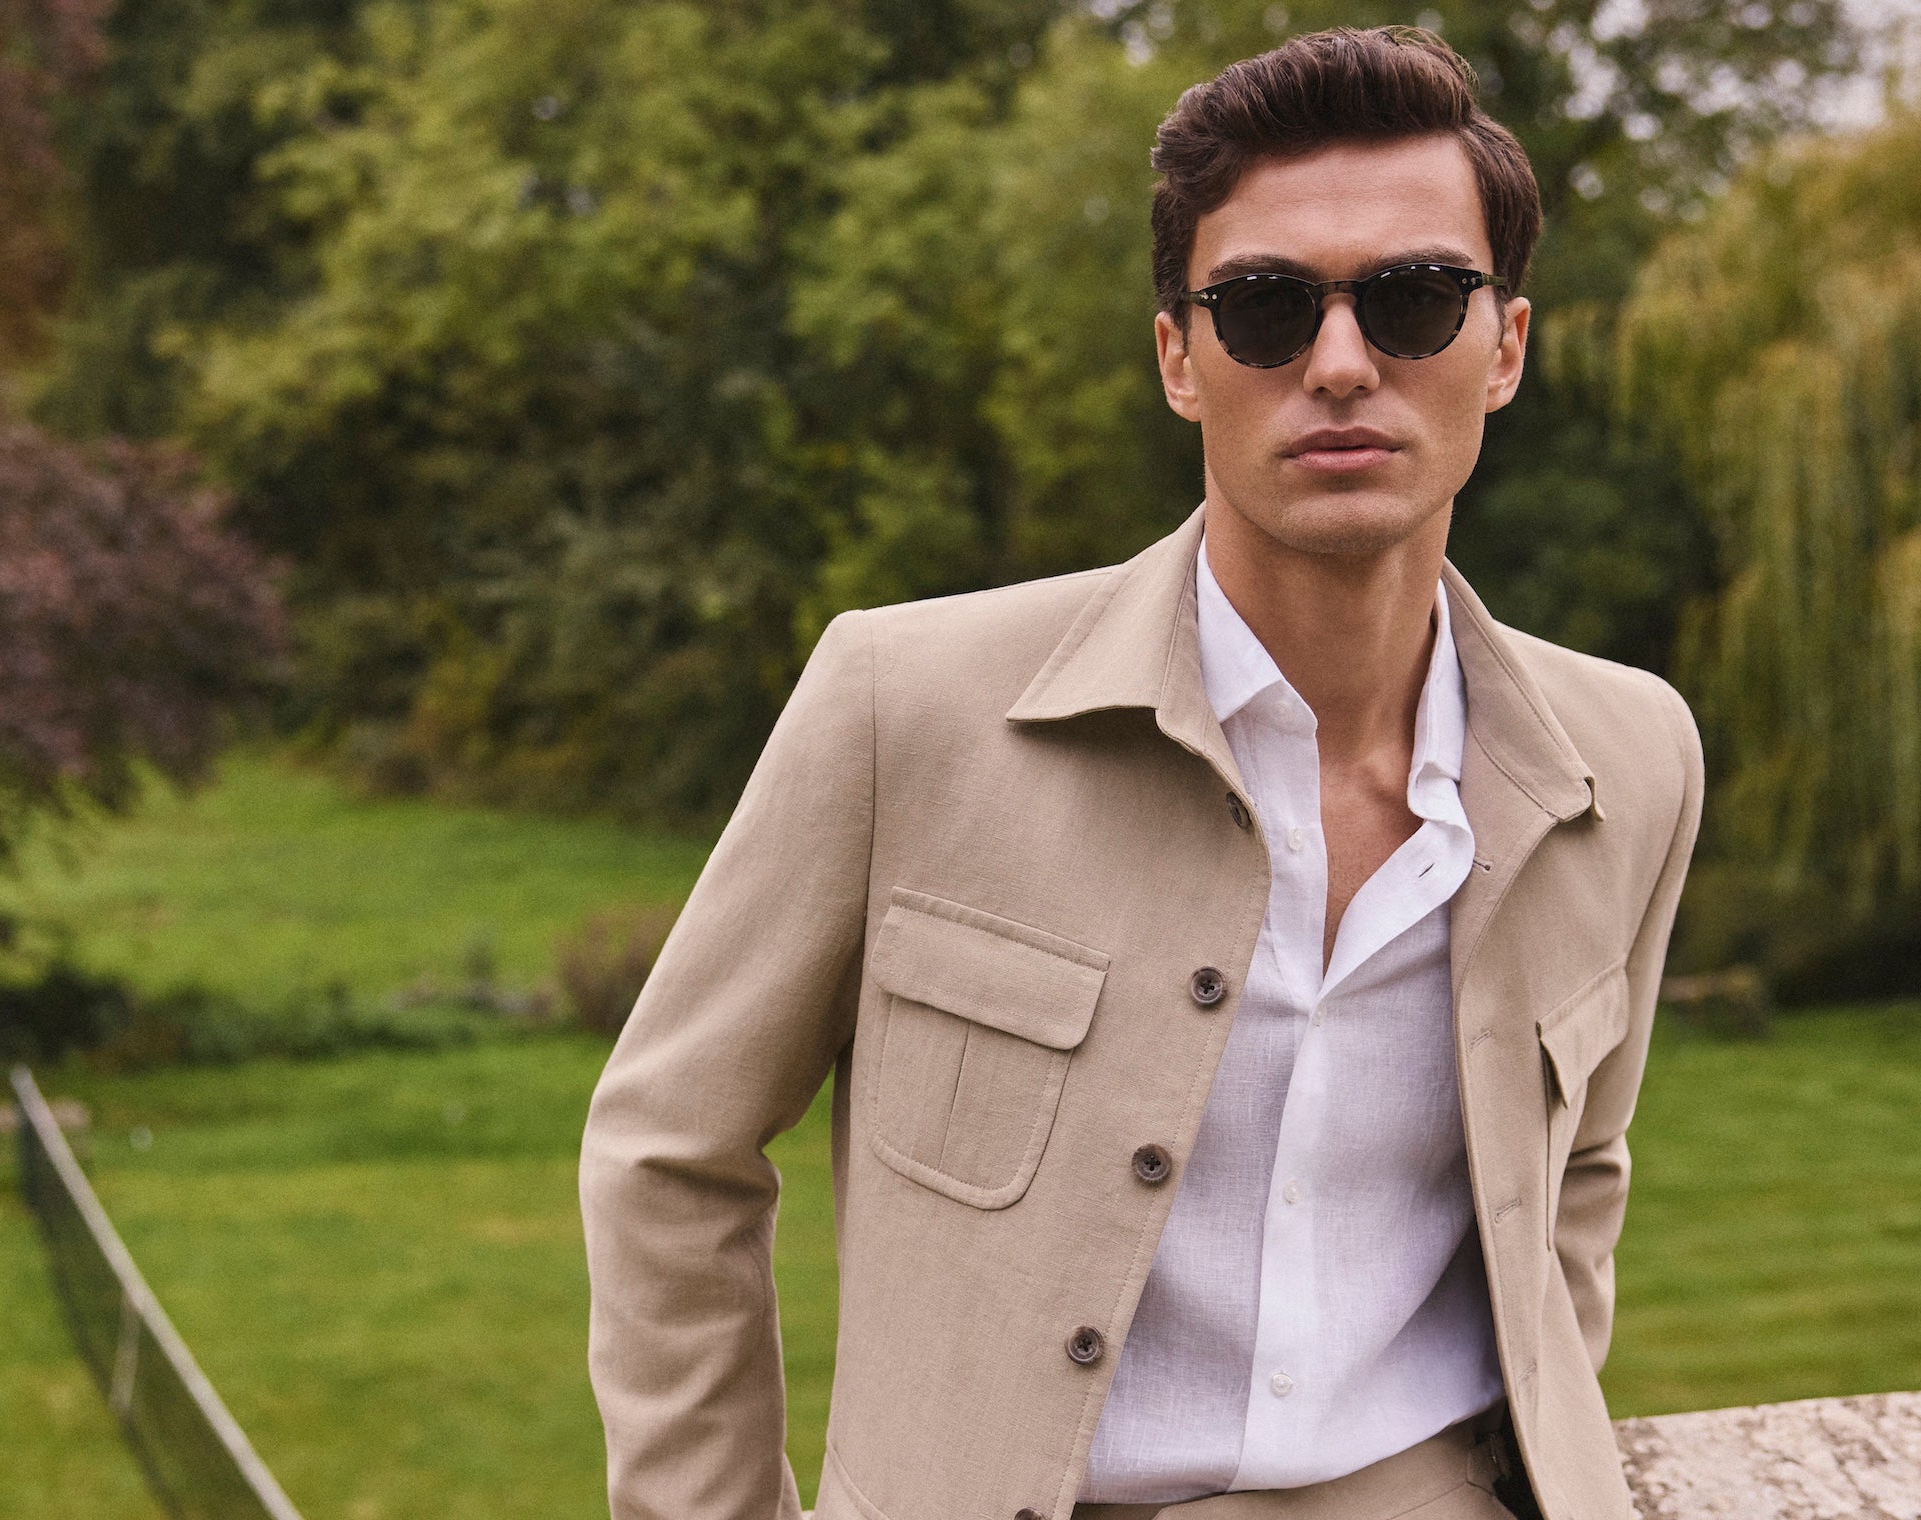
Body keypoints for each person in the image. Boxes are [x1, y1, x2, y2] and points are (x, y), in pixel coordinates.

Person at [579, 26, 1702, 1520]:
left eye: (1417, 300)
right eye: (1266, 308)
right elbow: (669, 1150)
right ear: (1179, 357)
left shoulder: (1629, 756)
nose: (1342, 363)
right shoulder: (905, 705)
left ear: (1502, 347)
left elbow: (1579, 1170)